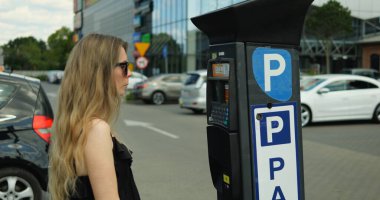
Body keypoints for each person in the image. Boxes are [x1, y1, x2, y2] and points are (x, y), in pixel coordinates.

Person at [48, 33, 140, 200]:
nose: (129, 74)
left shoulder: (78, 125)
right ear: (101, 72)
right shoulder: (96, 130)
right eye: (124, 66)